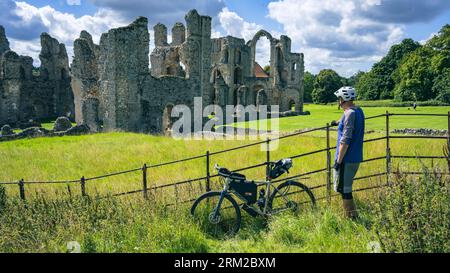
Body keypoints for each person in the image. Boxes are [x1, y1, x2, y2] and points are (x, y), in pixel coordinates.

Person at [330, 86, 365, 219]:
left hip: (347, 158)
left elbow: (345, 139)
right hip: (355, 157)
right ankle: (353, 216)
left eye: (339, 99)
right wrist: (337, 122)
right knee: (345, 188)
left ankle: (351, 218)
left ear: (343, 99)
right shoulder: (358, 111)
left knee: (345, 190)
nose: (338, 101)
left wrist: (338, 161)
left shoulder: (349, 114)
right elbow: (347, 120)